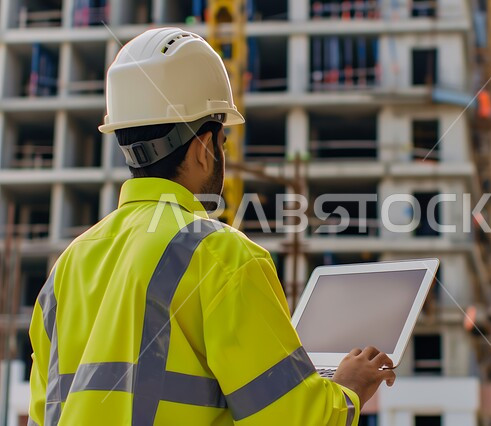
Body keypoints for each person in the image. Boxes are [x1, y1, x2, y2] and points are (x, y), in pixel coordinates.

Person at [28, 27, 395, 426]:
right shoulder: (224, 257)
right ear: (205, 146)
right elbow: (290, 418)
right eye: (223, 143)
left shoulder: (67, 267)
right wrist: (348, 391)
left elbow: (41, 411)